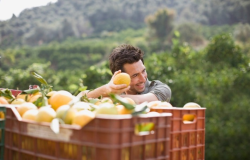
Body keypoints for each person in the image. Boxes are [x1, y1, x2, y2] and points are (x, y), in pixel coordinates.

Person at [78, 44, 171, 104]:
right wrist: (106, 89)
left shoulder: (161, 89)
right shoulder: (113, 92)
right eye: (135, 75)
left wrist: (104, 99)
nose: (143, 79)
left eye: (143, 71)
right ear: (119, 76)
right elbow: (78, 98)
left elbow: (138, 101)